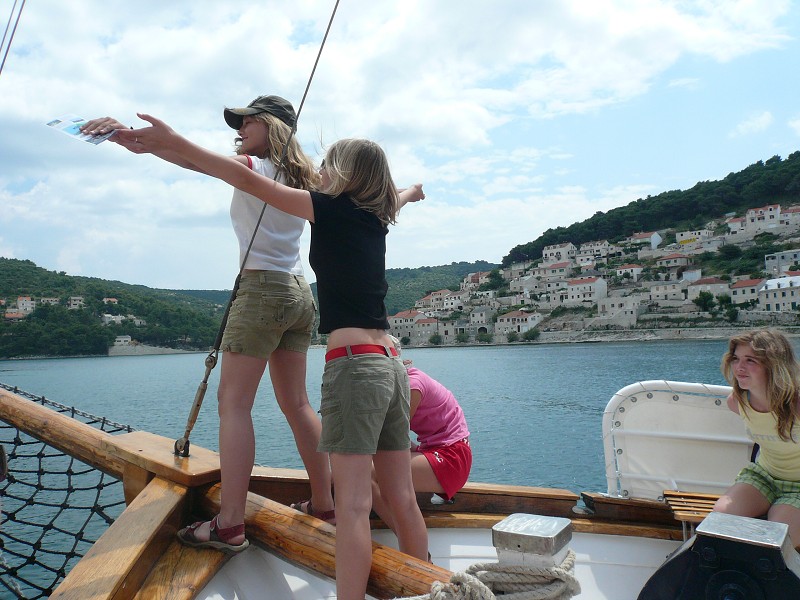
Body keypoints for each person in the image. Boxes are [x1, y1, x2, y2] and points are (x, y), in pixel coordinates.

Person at [116, 116, 427, 600]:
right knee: (402, 498)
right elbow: (397, 197)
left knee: (353, 506)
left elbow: (245, 180)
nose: (321, 172)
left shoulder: (328, 208)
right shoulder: (377, 217)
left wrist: (173, 141)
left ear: (345, 176)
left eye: (329, 166)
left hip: (355, 367)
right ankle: (429, 586)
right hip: (391, 364)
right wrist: (412, 192)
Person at [81, 96, 335, 553]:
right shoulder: (306, 176)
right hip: (300, 292)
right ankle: (326, 504)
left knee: (233, 404)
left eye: (248, 121)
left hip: (261, 290)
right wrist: (131, 139)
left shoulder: (252, 166)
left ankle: (230, 523)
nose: (239, 129)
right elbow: (189, 158)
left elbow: (191, 159)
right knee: (298, 403)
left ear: (271, 126)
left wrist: (135, 138)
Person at [371, 339, 471, 533]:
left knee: (366, 474)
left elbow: (389, 436)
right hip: (440, 451)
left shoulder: (412, 386)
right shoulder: (400, 382)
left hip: (451, 457)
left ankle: (406, 536)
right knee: (370, 466)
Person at [713, 328, 800, 548]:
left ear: (773, 364)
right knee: (719, 521)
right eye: (736, 359)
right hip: (764, 476)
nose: (739, 367)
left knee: (778, 539)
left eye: (750, 360)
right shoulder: (738, 402)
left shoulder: (797, 404)